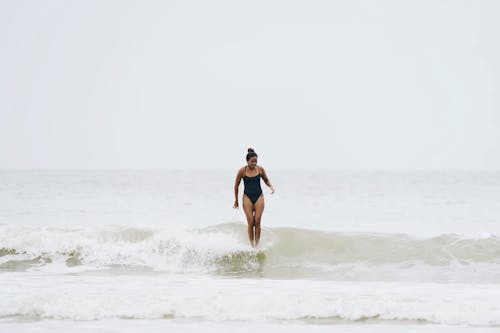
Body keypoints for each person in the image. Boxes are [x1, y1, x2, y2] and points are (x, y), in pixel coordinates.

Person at [233, 148, 275, 247]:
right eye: (252, 161)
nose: (254, 163)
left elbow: (266, 180)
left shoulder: (260, 169)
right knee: (251, 222)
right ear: (247, 161)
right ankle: (251, 245)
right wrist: (236, 201)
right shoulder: (242, 171)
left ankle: (257, 245)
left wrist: (271, 186)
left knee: (257, 221)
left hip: (259, 196)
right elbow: (236, 185)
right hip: (247, 197)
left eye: (256, 161)